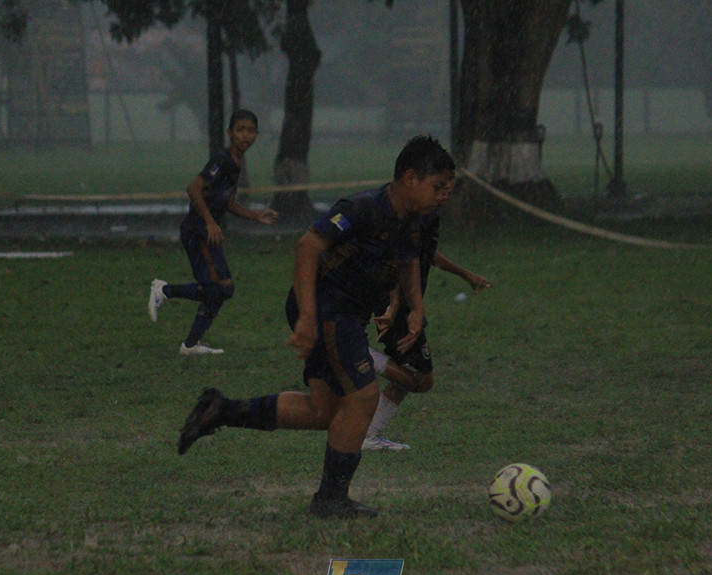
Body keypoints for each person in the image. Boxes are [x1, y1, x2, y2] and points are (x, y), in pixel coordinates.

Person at [176, 136, 457, 518]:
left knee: (324, 410)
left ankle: (220, 410)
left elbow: (408, 260)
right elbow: (307, 247)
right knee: (362, 399)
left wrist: (414, 308)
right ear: (409, 178)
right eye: (437, 186)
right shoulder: (362, 208)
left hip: (347, 314)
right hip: (326, 308)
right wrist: (308, 317)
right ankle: (330, 499)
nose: (444, 195)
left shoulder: (414, 220)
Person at [148, 109, 278, 355]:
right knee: (221, 288)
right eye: (240, 130)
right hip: (197, 232)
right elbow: (194, 188)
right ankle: (166, 294)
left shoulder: (236, 164)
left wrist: (255, 215)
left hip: (206, 232)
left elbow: (225, 202)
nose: (245, 136)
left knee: (221, 289)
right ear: (230, 133)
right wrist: (209, 223)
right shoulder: (222, 160)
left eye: (251, 131)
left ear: (257, 134)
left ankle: (189, 341)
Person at [363, 231, 493, 451]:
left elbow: (426, 254)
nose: (444, 197)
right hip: (400, 309)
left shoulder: (425, 216)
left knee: (408, 373)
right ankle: (356, 353)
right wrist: (394, 305)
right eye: (441, 193)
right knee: (420, 380)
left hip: (406, 306)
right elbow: (397, 260)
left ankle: (369, 435)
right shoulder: (408, 215)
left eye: (448, 193)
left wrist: (465, 274)